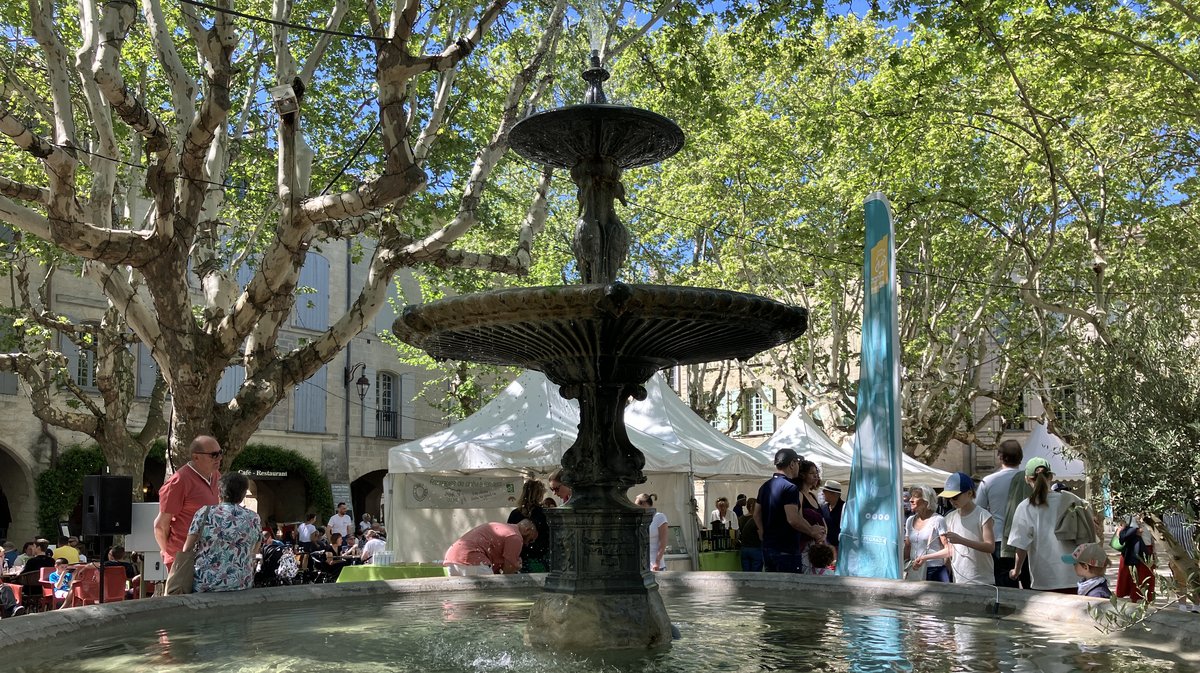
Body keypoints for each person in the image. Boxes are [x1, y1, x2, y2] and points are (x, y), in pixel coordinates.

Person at [1006, 457, 1084, 593]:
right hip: (1075, 576)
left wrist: (1016, 571)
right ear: (1051, 476)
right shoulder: (1072, 501)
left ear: (1027, 479)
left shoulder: (1025, 507)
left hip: (1044, 580)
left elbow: (1021, 546)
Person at [182, 471, 262, 593]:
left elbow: (187, 548)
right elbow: (254, 550)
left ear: (220, 491)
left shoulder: (205, 513)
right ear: (243, 494)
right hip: (241, 584)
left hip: (206, 584)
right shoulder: (253, 518)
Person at [155, 435, 222, 569]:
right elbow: (160, 526)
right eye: (213, 455)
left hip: (209, 557)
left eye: (220, 453)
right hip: (184, 559)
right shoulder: (179, 481)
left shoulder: (216, 475)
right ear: (196, 457)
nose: (219, 458)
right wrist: (170, 556)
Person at [755, 448, 825, 573]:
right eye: (798, 463)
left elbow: (756, 514)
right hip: (786, 549)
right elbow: (793, 519)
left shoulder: (765, 486)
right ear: (792, 464)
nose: (799, 466)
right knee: (790, 589)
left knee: (772, 586)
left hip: (768, 548)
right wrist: (811, 531)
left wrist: (762, 533)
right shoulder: (790, 487)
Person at [976, 438, 1032, 588]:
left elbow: (978, 510)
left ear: (1000, 456)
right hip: (1027, 539)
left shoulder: (988, 481)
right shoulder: (1029, 480)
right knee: (1030, 587)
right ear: (1021, 457)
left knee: (1004, 587)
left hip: (999, 538)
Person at [937, 472, 995, 585]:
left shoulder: (983, 515)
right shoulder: (950, 517)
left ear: (969, 493)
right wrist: (925, 558)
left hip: (981, 579)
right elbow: (950, 550)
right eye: (948, 498)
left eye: (955, 497)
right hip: (959, 578)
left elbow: (990, 546)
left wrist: (961, 540)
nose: (952, 501)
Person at [442, 520, 538, 576]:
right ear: (527, 530)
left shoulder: (503, 527)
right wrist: (516, 566)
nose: (527, 544)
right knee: (490, 599)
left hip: (452, 559)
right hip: (472, 559)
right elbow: (508, 574)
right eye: (530, 539)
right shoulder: (515, 537)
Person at [905, 485, 950, 582]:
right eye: (911, 496)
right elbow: (908, 546)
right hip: (914, 570)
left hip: (934, 571)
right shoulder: (910, 520)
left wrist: (925, 558)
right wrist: (904, 565)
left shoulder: (938, 520)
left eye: (916, 497)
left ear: (926, 501)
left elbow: (948, 550)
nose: (910, 500)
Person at [507, 480, 551, 572]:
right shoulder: (544, 513)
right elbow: (549, 537)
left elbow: (509, 536)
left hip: (519, 556)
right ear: (539, 495)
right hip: (540, 557)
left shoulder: (515, 513)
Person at [1115, 515, 1156, 603]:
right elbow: (1119, 533)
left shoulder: (1150, 515)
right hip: (1130, 550)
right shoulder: (1128, 515)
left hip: (1146, 549)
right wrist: (1133, 532)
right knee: (1131, 576)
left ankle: (1143, 601)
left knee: (1145, 578)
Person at [635, 493, 669, 572]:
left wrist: (657, 562)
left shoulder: (660, 517)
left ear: (644, 504)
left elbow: (663, 543)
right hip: (642, 565)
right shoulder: (639, 519)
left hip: (655, 565)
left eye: (637, 505)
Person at [738, 497, 763, 572]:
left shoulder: (742, 518)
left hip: (744, 548)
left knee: (746, 574)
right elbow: (761, 536)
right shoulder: (757, 520)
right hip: (755, 548)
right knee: (755, 576)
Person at [821, 480, 844, 551]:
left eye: (825, 491)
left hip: (842, 547)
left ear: (833, 494)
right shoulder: (823, 508)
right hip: (826, 547)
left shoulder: (845, 507)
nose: (822, 493)